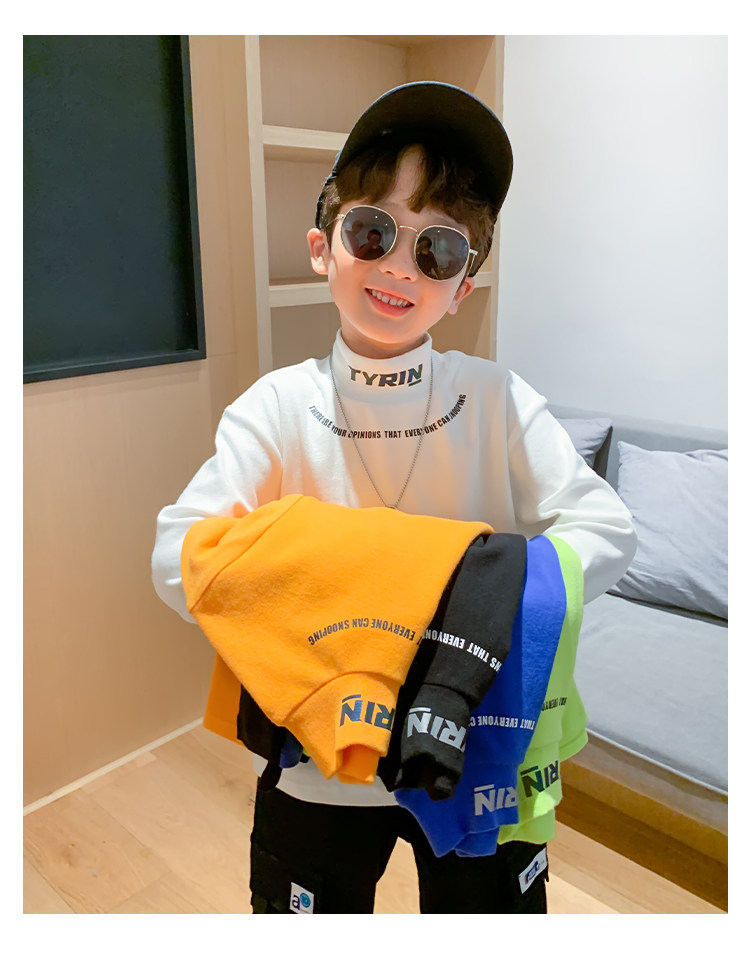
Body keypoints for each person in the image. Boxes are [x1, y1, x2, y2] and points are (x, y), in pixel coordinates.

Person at [151, 81, 637, 914]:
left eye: (438, 249)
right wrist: (438, 580)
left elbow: (608, 531)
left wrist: (345, 574)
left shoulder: (497, 399)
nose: (400, 267)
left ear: (464, 286)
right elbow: (177, 556)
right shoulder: (274, 408)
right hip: (317, 760)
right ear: (322, 246)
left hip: (478, 746)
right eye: (373, 231)